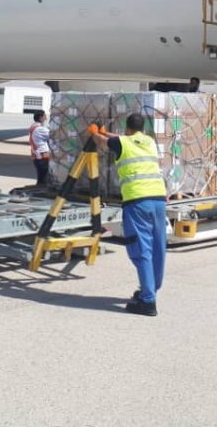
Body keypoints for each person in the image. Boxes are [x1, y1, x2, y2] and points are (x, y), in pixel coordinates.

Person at [93, 114, 168, 316]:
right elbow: (120, 138)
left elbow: (103, 142)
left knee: (141, 248)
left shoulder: (122, 143)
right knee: (158, 246)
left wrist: (94, 133)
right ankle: (151, 288)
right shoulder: (149, 141)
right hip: (158, 199)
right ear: (141, 128)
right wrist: (106, 132)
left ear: (127, 128)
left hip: (137, 200)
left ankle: (148, 301)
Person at [28, 110, 52, 187]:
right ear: (40, 117)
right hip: (42, 156)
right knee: (44, 178)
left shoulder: (33, 127)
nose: (46, 118)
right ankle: (40, 189)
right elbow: (53, 135)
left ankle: (39, 187)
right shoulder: (40, 129)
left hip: (37, 156)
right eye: (45, 116)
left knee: (41, 177)